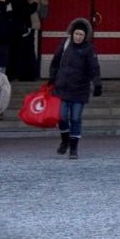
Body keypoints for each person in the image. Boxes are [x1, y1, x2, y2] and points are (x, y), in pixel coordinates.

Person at [50, 19, 101, 159]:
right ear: (72, 33)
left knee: (76, 118)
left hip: (79, 89)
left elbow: (94, 68)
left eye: (81, 34)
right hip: (62, 87)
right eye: (76, 33)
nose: (78, 36)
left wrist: (97, 84)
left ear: (85, 36)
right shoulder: (65, 44)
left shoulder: (88, 49)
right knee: (62, 116)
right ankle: (64, 139)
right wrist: (52, 78)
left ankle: (73, 148)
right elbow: (55, 62)